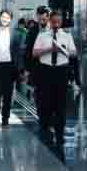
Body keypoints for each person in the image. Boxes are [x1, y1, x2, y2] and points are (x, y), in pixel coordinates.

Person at [31, 11, 76, 147]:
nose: (56, 23)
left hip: (61, 71)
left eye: (58, 21)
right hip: (46, 71)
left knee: (60, 104)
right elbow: (35, 53)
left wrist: (62, 50)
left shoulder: (67, 36)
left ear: (61, 22)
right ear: (50, 21)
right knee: (45, 102)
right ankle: (45, 130)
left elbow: (73, 53)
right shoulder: (42, 36)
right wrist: (50, 49)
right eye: (54, 21)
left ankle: (59, 133)